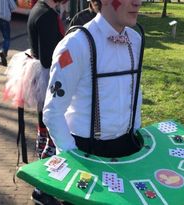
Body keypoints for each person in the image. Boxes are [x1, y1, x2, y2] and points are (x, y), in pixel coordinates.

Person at [43, 0, 144, 158]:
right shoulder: (75, 45)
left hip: (127, 146)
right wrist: (72, 155)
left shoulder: (135, 40)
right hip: (85, 149)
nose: (138, 3)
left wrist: (137, 130)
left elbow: (135, 92)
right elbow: (53, 111)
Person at [26, 0, 68, 204]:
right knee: (51, 134)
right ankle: (41, 190)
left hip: (43, 81)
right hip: (50, 82)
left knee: (44, 130)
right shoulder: (47, 16)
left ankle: (42, 186)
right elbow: (48, 58)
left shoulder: (39, 8)